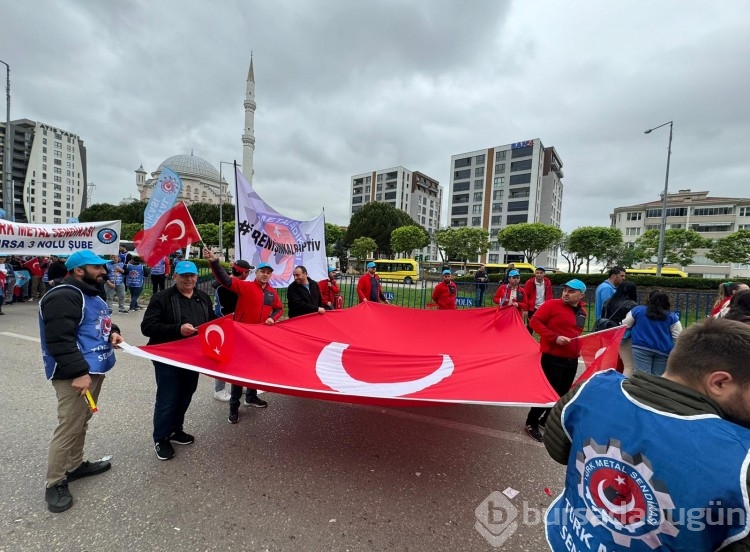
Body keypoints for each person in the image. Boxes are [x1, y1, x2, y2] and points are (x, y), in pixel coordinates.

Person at [543, 318, 750, 551]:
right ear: (719, 382)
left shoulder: (592, 389)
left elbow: (557, 447)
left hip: (571, 537)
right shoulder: (741, 458)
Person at [39, 250, 124, 513]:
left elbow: (99, 322)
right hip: (75, 376)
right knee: (69, 426)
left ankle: (75, 466)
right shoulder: (65, 295)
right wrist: (78, 373)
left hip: (92, 371)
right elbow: (59, 339)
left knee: (81, 422)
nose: (104, 272)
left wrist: (116, 332)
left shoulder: (89, 294)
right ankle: (55, 482)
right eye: (97, 268)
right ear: (79, 270)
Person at [141, 260, 215, 461]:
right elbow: (147, 327)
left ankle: (175, 430)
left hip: (193, 357)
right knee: (167, 398)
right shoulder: (161, 298)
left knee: (186, 393)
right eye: (184, 276)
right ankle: (161, 437)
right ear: (175, 277)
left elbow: (213, 321)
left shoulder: (202, 297)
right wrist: (177, 329)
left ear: (197, 277)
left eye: (192, 275)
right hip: (168, 357)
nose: (189, 279)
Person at [204, 248, 283, 423]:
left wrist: (272, 318)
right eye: (262, 271)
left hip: (259, 338)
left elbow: (279, 308)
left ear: (271, 275)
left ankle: (251, 397)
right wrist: (214, 262)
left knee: (255, 370)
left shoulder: (272, 292)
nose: (265, 275)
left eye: (268, 273)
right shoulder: (245, 286)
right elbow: (225, 280)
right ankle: (234, 406)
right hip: (241, 336)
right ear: (257, 273)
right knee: (239, 373)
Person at [525, 279, 587, 442]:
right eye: (565, 289)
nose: (566, 293)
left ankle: (546, 419)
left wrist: (577, 349)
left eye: (572, 291)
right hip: (552, 357)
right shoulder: (551, 305)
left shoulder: (582, 312)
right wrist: (554, 338)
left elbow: (575, 333)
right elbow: (534, 321)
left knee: (562, 393)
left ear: (581, 295)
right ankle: (532, 422)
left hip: (571, 359)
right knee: (547, 392)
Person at [211, 259, 254, 402]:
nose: (249, 274)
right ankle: (219, 389)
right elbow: (224, 310)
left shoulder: (236, 285)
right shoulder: (226, 287)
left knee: (239, 358)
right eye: (248, 272)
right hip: (225, 326)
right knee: (223, 359)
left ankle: (239, 386)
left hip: (237, 326)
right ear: (244, 272)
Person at [622, 290, 682, 376]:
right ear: (666, 301)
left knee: (642, 376)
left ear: (649, 299)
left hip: (641, 347)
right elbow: (678, 336)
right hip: (663, 350)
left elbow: (625, 324)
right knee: (657, 378)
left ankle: (641, 389)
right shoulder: (672, 317)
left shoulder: (638, 310)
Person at [600, 280, 639, 376]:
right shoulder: (632, 305)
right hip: (624, 336)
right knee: (629, 365)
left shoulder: (608, 301)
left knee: (608, 362)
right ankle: (623, 386)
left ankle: (605, 381)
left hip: (607, 333)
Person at [523, 267, 553, 335]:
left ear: (544, 274)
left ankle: (544, 340)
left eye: (541, 273)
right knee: (530, 325)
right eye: (537, 273)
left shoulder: (547, 282)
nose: (539, 275)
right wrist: (525, 309)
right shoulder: (529, 282)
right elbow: (525, 296)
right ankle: (529, 340)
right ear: (535, 274)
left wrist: (550, 306)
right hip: (532, 307)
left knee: (545, 325)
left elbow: (550, 294)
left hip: (544, 307)